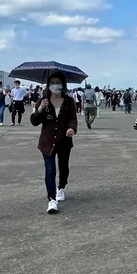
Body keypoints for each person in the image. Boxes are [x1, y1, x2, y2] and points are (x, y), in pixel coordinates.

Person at [30, 71, 78, 214]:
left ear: (63, 84)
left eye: (58, 82)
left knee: (63, 167)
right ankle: (51, 200)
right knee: (50, 170)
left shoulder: (69, 101)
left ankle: (61, 187)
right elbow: (34, 122)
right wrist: (39, 109)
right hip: (47, 141)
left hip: (64, 141)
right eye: (53, 82)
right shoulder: (43, 101)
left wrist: (72, 128)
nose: (55, 85)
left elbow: (73, 118)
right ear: (48, 84)